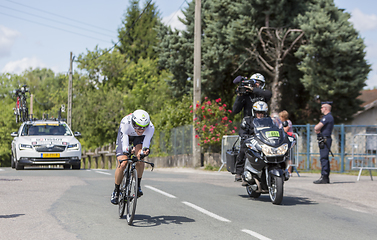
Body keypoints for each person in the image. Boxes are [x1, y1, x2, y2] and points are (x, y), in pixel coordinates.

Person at [232, 73, 272, 182]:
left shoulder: (263, 94)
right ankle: (239, 172)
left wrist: (253, 90)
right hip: (249, 124)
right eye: (254, 82)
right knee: (244, 147)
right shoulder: (245, 95)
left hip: (263, 124)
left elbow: (269, 94)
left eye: (259, 83)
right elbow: (235, 110)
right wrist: (239, 96)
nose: (256, 84)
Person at [110, 109, 155, 205]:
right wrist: (128, 150)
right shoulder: (125, 123)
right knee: (123, 163)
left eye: (143, 127)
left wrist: (144, 151)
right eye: (138, 126)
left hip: (139, 139)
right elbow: (125, 146)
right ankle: (116, 191)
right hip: (126, 135)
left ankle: (137, 185)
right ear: (133, 122)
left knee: (140, 158)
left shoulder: (150, 127)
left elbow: (145, 145)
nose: (141, 130)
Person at [236, 101, 268, 186]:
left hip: (264, 142)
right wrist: (244, 135)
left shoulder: (268, 121)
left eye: (262, 113)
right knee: (243, 150)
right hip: (251, 141)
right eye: (258, 113)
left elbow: (274, 128)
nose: (260, 115)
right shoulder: (247, 120)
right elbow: (242, 131)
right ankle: (239, 172)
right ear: (254, 112)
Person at [313, 102, 334, 184]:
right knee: (324, 158)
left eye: (322, 107)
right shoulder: (328, 117)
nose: (321, 109)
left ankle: (324, 176)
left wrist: (317, 129)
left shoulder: (327, 117)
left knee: (324, 158)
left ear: (325, 108)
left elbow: (317, 127)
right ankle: (325, 176)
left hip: (325, 139)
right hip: (324, 139)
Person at [279, 110, 293, 175]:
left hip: (288, 140)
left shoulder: (288, 122)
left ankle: (289, 171)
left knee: (289, 156)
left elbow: (285, 130)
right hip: (282, 140)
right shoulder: (280, 122)